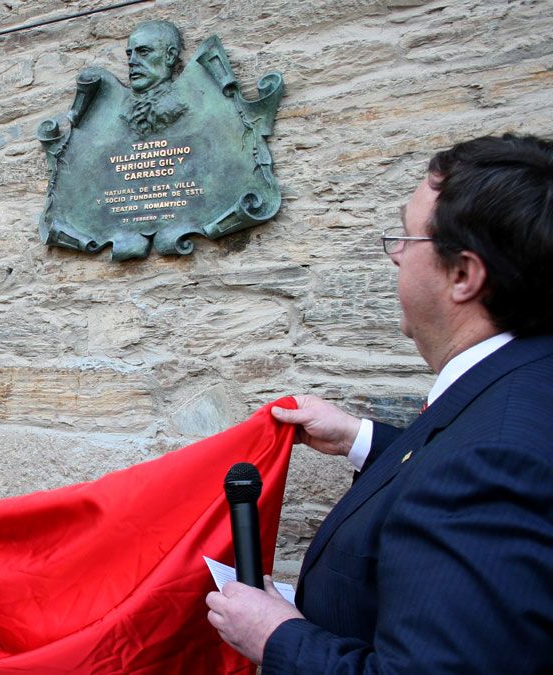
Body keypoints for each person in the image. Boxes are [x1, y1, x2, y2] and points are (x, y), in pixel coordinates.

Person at [206, 134, 553, 672]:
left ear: (463, 275)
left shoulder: (492, 461)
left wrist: (275, 636)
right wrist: (360, 440)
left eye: (406, 239)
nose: (395, 256)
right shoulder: (527, 379)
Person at [123, 20, 187, 135]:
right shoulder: (120, 111)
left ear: (170, 56)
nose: (131, 61)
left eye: (143, 52)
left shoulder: (184, 103)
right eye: (129, 54)